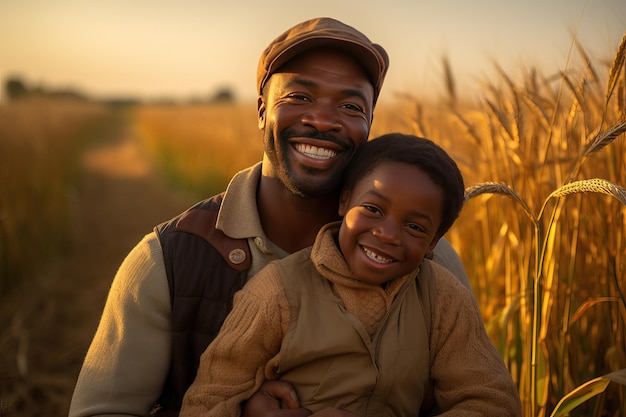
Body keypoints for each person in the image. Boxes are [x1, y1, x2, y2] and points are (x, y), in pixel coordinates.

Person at [69, 17, 474, 417]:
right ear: (262, 110)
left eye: (351, 106)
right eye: (299, 97)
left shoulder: (431, 265)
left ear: (368, 125)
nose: (322, 120)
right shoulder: (168, 261)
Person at [179, 134, 522, 416]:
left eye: (414, 226)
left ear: (433, 243)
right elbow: (208, 401)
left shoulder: (443, 299)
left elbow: (493, 403)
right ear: (344, 202)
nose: (388, 234)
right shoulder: (276, 292)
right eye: (372, 209)